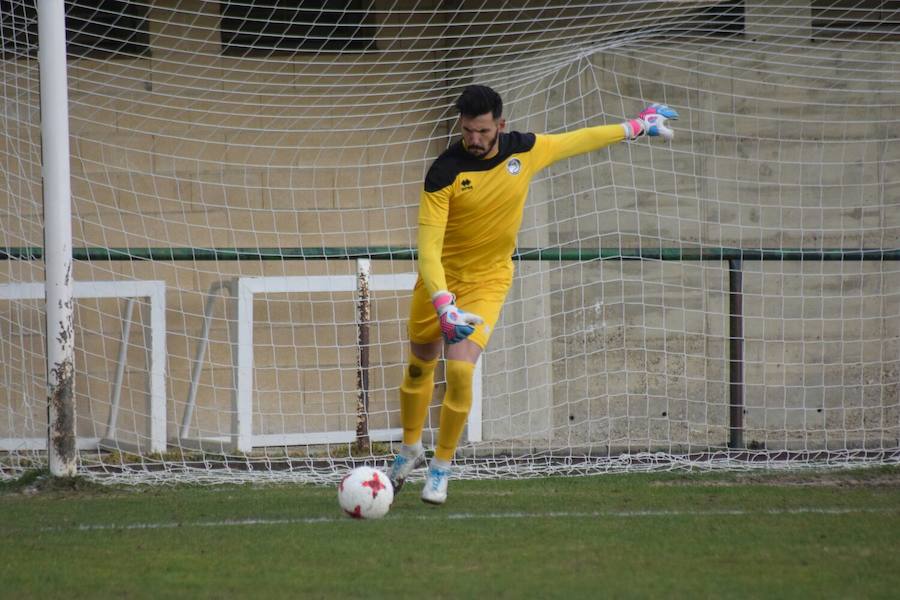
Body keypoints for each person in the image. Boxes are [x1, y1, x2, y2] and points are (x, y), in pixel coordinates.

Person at [389, 84, 678, 504]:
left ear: (500, 126)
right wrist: (442, 301)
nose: (474, 139)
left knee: (462, 371)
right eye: (468, 130)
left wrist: (635, 126)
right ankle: (410, 448)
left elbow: (577, 141)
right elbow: (428, 249)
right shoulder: (443, 172)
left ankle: (441, 467)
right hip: (440, 282)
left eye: (483, 131)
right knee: (419, 368)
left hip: (489, 279)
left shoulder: (525, 150)